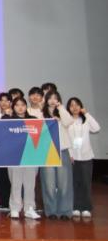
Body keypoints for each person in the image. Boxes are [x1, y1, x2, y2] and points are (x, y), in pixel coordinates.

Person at [4, 97, 40, 220]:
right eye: (17, 105)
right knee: (15, 183)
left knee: (30, 184)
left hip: (31, 156)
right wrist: (6, 115)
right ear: (13, 107)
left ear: (26, 106)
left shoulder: (33, 120)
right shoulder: (9, 120)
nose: (20, 107)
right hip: (14, 156)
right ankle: (15, 208)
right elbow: (0, 129)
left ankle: (29, 208)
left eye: (23, 105)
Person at [41, 90, 74, 219]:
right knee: (48, 183)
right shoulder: (41, 113)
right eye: (50, 98)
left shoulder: (62, 111)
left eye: (55, 98)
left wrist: (60, 108)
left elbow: (68, 122)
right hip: (46, 151)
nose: (52, 100)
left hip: (62, 150)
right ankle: (51, 211)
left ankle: (65, 211)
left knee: (64, 183)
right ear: (46, 100)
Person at [67, 97, 100, 218]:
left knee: (86, 183)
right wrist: (70, 154)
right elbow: (65, 139)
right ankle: (75, 206)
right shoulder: (67, 121)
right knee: (75, 183)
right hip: (73, 157)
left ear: (81, 106)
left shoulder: (86, 120)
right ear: (68, 108)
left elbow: (96, 128)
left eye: (77, 105)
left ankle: (86, 207)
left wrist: (87, 113)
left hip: (86, 156)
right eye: (71, 105)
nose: (74, 107)